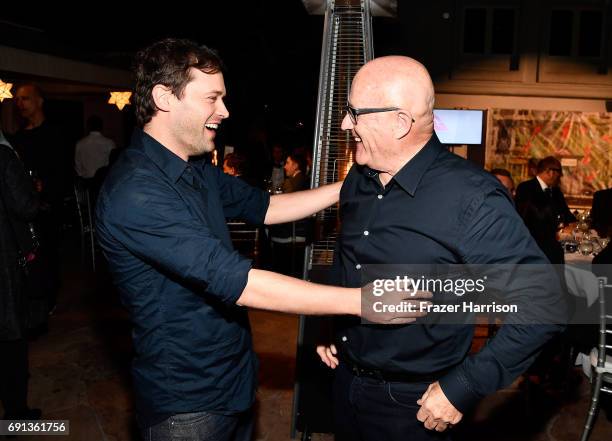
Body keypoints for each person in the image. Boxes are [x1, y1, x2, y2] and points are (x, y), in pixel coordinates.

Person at [95, 38, 428, 441]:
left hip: (232, 378)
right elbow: (240, 283)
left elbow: (266, 209)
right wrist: (363, 301)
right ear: (165, 97)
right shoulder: (136, 192)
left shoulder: (195, 167)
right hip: (186, 402)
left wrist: (353, 184)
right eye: (212, 98)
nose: (225, 111)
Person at [315, 56, 564, 440]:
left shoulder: (471, 196)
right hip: (344, 383)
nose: (346, 123)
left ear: (399, 123)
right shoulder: (358, 182)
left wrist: (464, 385)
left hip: (416, 406)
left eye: (354, 113)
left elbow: (544, 302)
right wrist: (335, 328)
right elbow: (351, 263)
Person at [11, 83, 65, 316]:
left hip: (49, 206)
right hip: (26, 207)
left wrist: (47, 185)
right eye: (18, 100)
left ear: (39, 101)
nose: (20, 104)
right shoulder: (19, 137)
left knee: (49, 253)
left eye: (25, 99)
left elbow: (64, 171)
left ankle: (49, 299)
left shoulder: (55, 133)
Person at [0, 135, 41, 420]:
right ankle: (15, 414)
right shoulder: (3, 156)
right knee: (11, 337)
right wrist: (34, 191)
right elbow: (25, 206)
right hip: (3, 261)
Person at [514, 156, 576, 264]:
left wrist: (571, 224)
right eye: (559, 174)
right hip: (532, 246)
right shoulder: (526, 188)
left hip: (553, 245)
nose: (559, 177)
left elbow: (566, 215)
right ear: (550, 172)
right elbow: (523, 217)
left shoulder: (556, 191)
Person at [74, 115, 116, 180]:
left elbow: (78, 165)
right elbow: (114, 164)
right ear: (101, 127)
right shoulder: (109, 143)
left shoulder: (80, 143)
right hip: (104, 181)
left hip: (87, 181)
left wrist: (82, 175)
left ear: (88, 127)